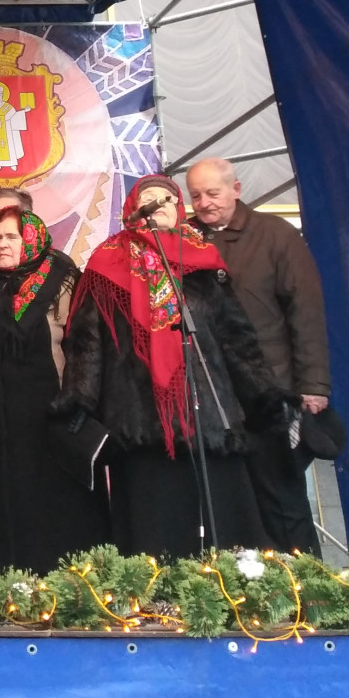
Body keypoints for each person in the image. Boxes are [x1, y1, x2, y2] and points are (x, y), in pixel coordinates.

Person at [55, 174, 296, 561]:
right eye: (148, 198)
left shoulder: (203, 260)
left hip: (207, 412)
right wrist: (79, 400)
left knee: (221, 517)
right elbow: (86, 341)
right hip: (139, 415)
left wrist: (263, 393)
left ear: (179, 209)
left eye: (167, 198)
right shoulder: (106, 264)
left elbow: (236, 337)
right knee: (155, 520)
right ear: (133, 209)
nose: (159, 205)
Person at [186, 158, 334, 553]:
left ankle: (306, 580)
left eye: (212, 193)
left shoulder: (275, 234)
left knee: (282, 496)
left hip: (271, 389)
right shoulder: (185, 241)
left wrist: (313, 384)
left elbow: (306, 312)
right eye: (196, 196)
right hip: (215, 395)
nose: (204, 203)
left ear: (236, 189)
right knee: (232, 502)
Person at [0, 207, 109, 571]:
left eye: (12, 237)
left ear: (32, 239)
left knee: (54, 503)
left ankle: (64, 578)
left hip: (49, 415)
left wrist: (78, 400)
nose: (2, 244)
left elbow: (85, 345)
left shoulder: (64, 283)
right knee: (0, 500)